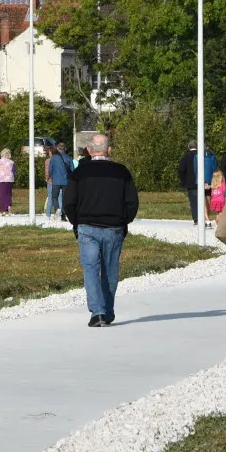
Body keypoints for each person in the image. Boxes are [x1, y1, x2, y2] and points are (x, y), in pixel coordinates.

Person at [63, 134, 139, 327]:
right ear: (109, 150)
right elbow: (132, 202)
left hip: (87, 227)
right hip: (113, 227)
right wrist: (123, 221)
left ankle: (97, 312)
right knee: (110, 270)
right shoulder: (121, 172)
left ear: (89, 150)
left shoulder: (79, 172)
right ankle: (108, 311)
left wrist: (76, 223)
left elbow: (69, 202)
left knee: (90, 269)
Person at [178, 140, 203, 227]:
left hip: (191, 183)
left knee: (193, 201)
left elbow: (181, 169)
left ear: (189, 147)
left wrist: (183, 181)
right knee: (203, 200)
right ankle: (205, 217)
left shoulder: (186, 156)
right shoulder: (202, 155)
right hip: (203, 182)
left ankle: (196, 219)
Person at [45, 145, 70, 219]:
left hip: (55, 181)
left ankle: (57, 208)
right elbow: (69, 169)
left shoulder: (53, 158)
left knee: (54, 197)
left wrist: (49, 176)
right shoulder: (65, 158)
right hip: (65, 181)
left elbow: (50, 169)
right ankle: (64, 215)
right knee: (63, 198)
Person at [0, 148, 16, 216]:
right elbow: (14, 172)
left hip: (2, 179)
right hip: (9, 179)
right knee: (8, 193)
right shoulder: (12, 162)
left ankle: (3, 210)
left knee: (2, 194)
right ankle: (9, 205)